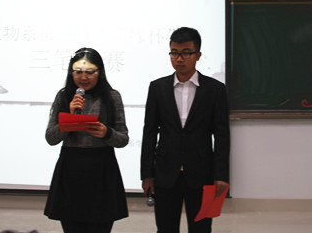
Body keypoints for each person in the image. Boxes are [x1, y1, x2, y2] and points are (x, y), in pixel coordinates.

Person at [140, 27, 230, 233]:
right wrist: (147, 174)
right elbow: (149, 133)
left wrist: (221, 175)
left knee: (201, 228)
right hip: (165, 173)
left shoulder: (215, 90)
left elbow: (222, 136)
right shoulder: (157, 88)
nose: (179, 59)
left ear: (198, 55)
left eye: (186, 53)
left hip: (202, 173)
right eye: (174, 53)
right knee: (165, 228)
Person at [44, 47, 128, 233]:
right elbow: (51, 138)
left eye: (90, 72)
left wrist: (107, 133)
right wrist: (69, 117)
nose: (84, 77)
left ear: (100, 72)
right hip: (71, 169)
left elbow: (123, 139)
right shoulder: (64, 96)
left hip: (102, 170)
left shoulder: (112, 97)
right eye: (78, 72)